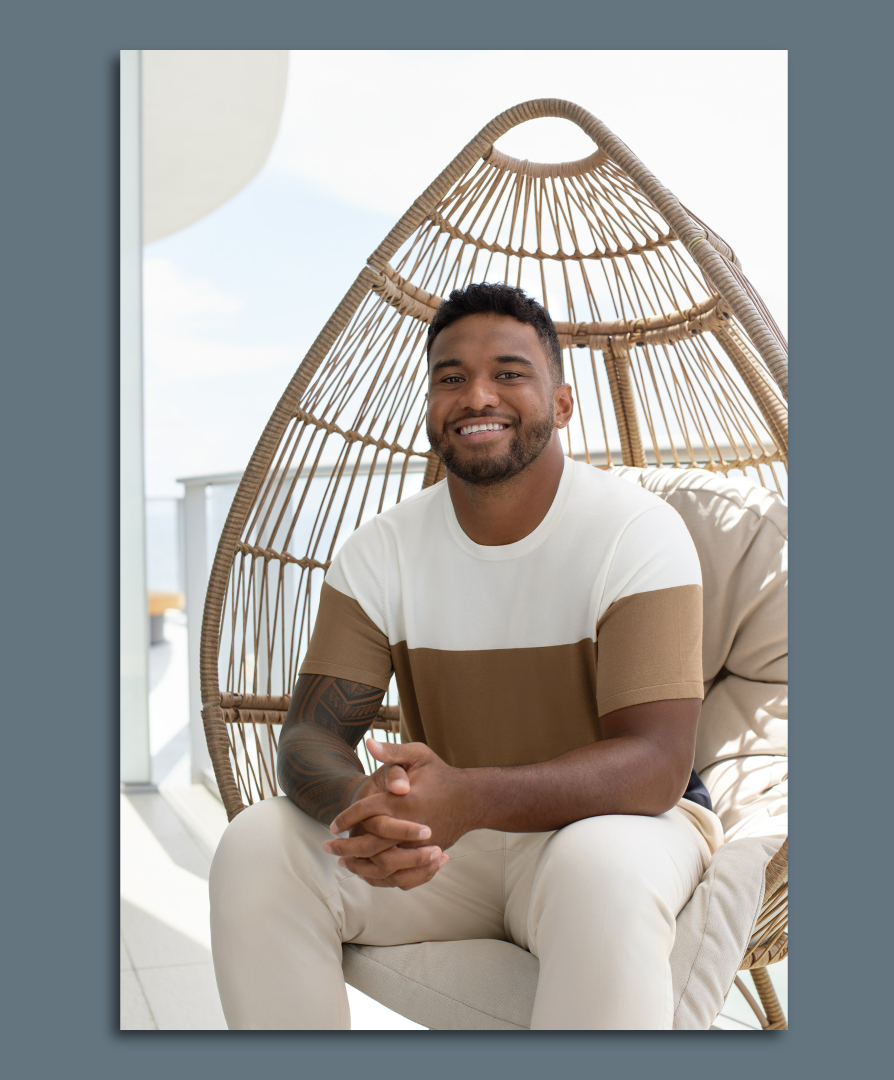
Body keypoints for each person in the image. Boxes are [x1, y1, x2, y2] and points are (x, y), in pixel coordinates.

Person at [208, 282, 720, 1029]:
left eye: (509, 373)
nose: (477, 395)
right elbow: (311, 735)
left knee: (600, 867)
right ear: (430, 408)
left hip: (621, 824)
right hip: (450, 844)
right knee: (258, 845)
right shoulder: (380, 550)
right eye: (451, 377)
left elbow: (656, 764)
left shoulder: (635, 531)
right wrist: (375, 814)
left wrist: (469, 797)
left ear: (563, 404)